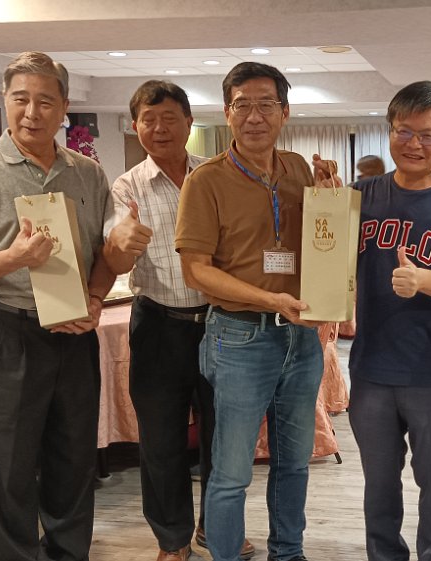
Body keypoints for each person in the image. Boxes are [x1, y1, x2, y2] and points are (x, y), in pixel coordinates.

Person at [0, 51, 117, 561]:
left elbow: (105, 256)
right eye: (20, 100)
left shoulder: (88, 173)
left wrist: (96, 298)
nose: (31, 113)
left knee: (73, 460)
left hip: (73, 334)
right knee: (9, 468)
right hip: (5, 333)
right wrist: (13, 257)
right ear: (5, 100)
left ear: (64, 108)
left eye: (45, 102)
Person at [175, 61, 326, 561]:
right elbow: (196, 271)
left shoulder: (298, 169)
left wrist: (331, 198)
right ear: (227, 113)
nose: (254, 116)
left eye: (266, 105)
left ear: (285, 113)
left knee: (295, 462)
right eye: (243, 105)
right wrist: (270, 300)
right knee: (232, 472)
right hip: (239, 337)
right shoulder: (206, 181)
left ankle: (289, 552)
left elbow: (318, 243)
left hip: (300, 339)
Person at [102, 79, 255, 561]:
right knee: (161, 439)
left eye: (170, 118)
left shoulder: (215, 175)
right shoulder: (126, 187)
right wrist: (120, 244)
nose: (160, 128)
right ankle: (172, 540)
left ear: (189, 122)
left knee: (224, 436)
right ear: (135, 127)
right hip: (158, 324)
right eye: (149, 120)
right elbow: (116, 258)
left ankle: (218, 527)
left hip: (221, 323)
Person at [349, 81, 431, 561]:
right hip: (371, 369)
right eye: (403, 131)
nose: (414, 144)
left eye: (428, 135)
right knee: (378, 484)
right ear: (389, 131)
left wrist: (422, 280)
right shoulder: (360, 194)